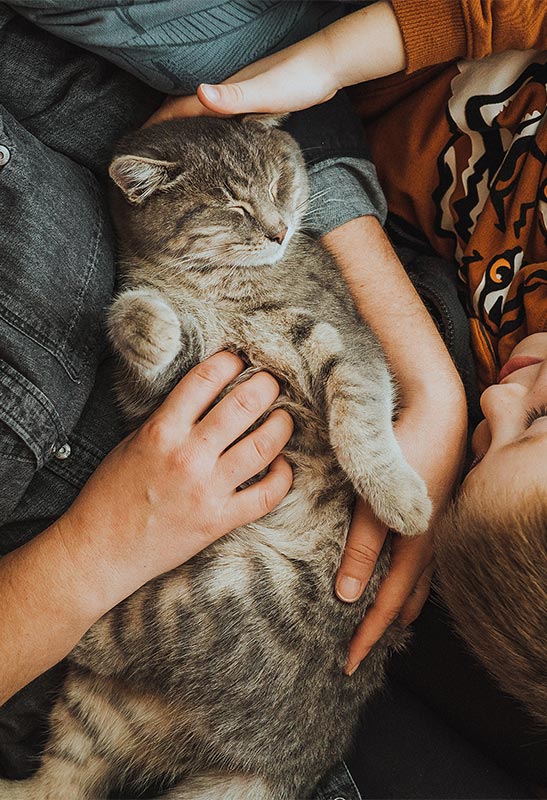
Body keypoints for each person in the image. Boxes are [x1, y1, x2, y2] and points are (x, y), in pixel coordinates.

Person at [0, 2, 469, 799]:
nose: (278, 228)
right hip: (101, 660)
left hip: (293, 593)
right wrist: (89, 560)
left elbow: (232, 93)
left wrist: (429, 388)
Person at [155, 0, 547, 790]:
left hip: (309, 136)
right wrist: (330, 58)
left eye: (479, 451)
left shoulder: (509, 364)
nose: (497, 403)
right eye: (535, 422)